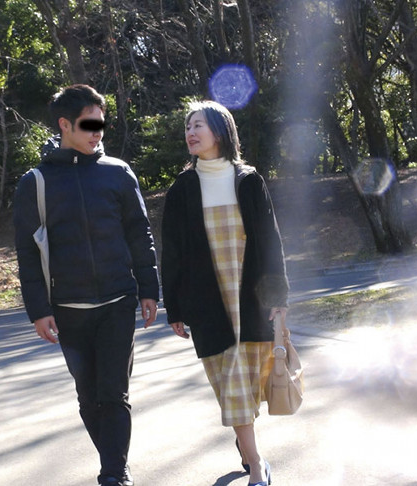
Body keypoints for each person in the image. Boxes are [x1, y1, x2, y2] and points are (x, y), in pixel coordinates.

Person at [13, 84, 159, 486]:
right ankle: (114, 461)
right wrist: (39, 309)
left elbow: (139, 233)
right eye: (89, 124)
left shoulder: (118, 172)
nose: (98, 132)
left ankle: (114, 473)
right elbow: (27, 251)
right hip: (68, 308)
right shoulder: (35, 182)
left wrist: (149, 288)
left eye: (101, 123)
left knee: (113, 393)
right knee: (88, 397)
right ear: (65, 125)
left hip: (117, 301)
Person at [160, 100, 289, 486]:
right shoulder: (183, 188)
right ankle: (256, 464)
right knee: (230, 387)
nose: (190, 132)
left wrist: (278, 296)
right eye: (187, 127)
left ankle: (247, 449)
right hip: (208, 305)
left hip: (250, 301)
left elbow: (270, 241)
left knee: (248, 387)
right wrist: (174, 307)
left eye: (198, 125)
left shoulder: (248, 180)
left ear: (220, 130)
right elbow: (173, 252)